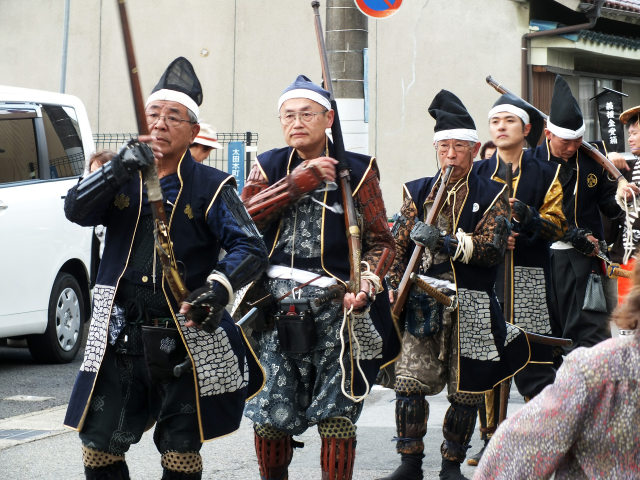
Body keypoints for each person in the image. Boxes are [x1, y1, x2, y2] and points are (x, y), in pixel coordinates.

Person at [63, 57, 268, 480]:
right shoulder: (120, 175)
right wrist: (119, 166)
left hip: (185, 335)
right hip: (118, 331)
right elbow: (76, 210)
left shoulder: (213, 186)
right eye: (153, 115)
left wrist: (216, 289)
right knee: (98, 446)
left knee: (180, 453)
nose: (160, 123)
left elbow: (250, 245)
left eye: (173, 117)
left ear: (193, 131)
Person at [240, 74, 399, 480]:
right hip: (274, 306)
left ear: (328, 118)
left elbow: (383, 241)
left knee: (338, 415)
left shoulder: (358, 171)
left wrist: (367, 283)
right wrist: (296, 184)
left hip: (338, 307)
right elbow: (242, 224)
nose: (296, 122)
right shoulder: (268, 166)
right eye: (287, 115)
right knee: (270, 415)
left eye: (306, 113)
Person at [379, 90, 529, 480]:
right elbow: (397, 246)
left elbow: (493, 250)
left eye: (458, 146)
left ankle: (452, 465)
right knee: (409, 384)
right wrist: (394, 285)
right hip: (420, 301)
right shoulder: (416, 191)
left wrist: (444, 242)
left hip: (473, 302)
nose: (450, 154)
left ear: (474, 149)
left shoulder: (493, 193)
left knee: (467, 389)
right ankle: (409, 463)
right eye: (443, 146)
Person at [469, 93, 567, 465]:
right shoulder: (477, 174)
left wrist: (526, 221)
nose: (501, 127)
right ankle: (490, 439)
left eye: (509, 121)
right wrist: (491, 239)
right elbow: (465, 223)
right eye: (495, 122)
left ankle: (537, 438)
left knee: (534, 356)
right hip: (485, 279)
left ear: (526, 129)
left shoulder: (547, 172)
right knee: (487, 358)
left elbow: (559, 225)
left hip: (530, 275)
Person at [474, 263, 640, 480]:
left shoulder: (596, 370)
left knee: (536, 370)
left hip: (537, 278)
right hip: (516, 279)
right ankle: (485, 435)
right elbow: (518, 448)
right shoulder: (596, 370)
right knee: (490, 368)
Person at [530, 75, 637, 353]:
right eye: (565, 141)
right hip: (542, 257)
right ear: (548, 133)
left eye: (578, 140)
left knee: (591, 337)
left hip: (587, 260)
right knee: (546, 337)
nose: (572, 147)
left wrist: (621, 195)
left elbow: (609, 208)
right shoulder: (531, 163)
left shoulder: (593, 158)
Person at [606, 105, 640, 301]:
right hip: (628, 255)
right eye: (630, 133)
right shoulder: (628, 170)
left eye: (635, 133)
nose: (630, 138)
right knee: (628, 321)